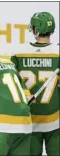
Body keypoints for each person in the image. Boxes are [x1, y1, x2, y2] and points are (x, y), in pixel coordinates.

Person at [11, 12, 59, 155]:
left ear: (35, 29)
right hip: (56, 120)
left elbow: (11, 82)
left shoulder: (18, 52)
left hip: (29, 119)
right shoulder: (57, 52)